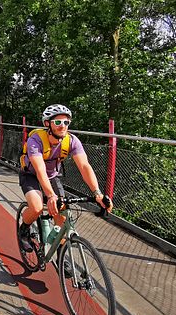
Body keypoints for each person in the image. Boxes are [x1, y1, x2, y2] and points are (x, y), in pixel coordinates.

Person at [18, 104, 113, 251]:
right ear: (47, 124)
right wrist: (50, 196)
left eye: (66, 122)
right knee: (37, 208)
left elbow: (84, 166)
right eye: (57, 122)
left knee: (62, 216)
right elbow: (40, 170)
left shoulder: (72, 141)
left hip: (52, 177)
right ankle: (24, 230)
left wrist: (97, 193)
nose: (62, 126)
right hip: (31, 176)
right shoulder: (35, 140)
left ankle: (62, 255)